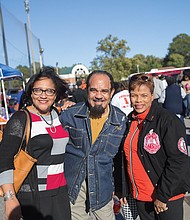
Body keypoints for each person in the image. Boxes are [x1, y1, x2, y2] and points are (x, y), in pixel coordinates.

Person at [115, 73, 190, 220]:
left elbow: (178, 161)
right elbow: (125, 158)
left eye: (144, 95)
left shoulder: (167, 120)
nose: (138, 101)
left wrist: (162, 196)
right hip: (141, 196)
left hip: (166, 197)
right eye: (134, 95)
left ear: (151, 96)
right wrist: (122, 189)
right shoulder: (129, 120)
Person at [0, 67, 71, 220]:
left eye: (49, 91)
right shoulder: (21, 119)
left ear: (56, 93)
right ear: (31, 92)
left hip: (60, 193)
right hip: (34, 196)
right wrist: (9, 198)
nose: (43, 96)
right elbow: (3, 159)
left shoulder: (57, 115)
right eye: (38, 90)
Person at [60, 70, 127, 220]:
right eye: (94, 90)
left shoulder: (121, 121)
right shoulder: (70, 116)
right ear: (86, 90)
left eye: (104, 91)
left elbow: (122, 160)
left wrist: (121, 189)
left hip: (103, 191)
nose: (98, 95)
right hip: (74, 190)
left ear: (112, 92)